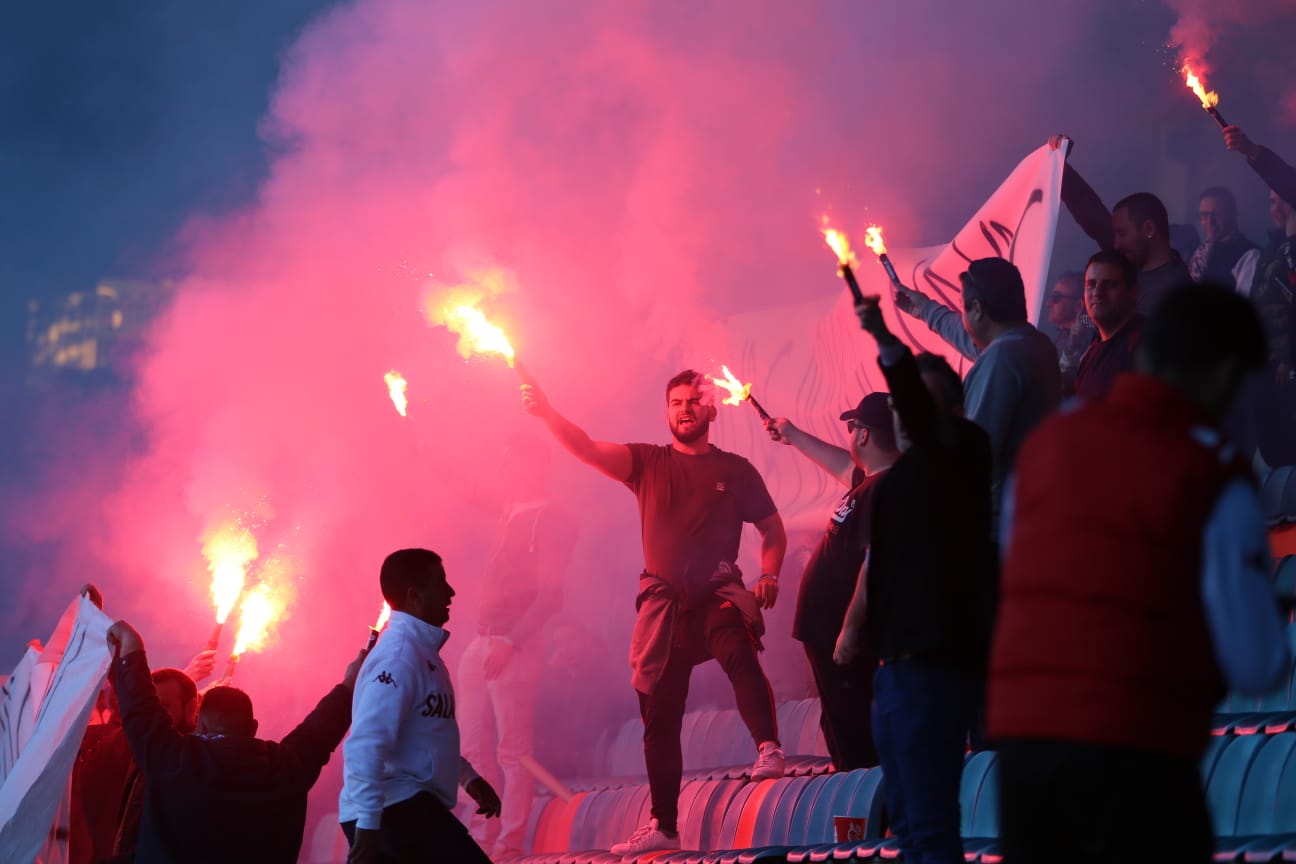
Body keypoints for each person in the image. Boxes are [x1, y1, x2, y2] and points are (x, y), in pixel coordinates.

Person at [989, 282, 1291, 863]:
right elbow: (1257, 660)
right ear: (1225, 373)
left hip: (1023, 751)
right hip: (1134, 748)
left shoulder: (1047, 445)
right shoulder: (1209, 471)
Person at [522, 369, 787, 856]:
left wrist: (768, 574)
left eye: (693, 401)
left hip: (717, 595)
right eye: (675, 402)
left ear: (711, 409)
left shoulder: (737, 470)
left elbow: (772, 530)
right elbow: (583, 446)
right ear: (667, 411)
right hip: (664, 608)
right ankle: (664, 824)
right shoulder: (646, 462)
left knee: (738, 649)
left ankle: (769, 748)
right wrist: (547, 412)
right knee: (658, 717)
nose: (684, 408)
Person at [852, 295, 996, 863]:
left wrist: (887, 337)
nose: (903, 415)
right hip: (896, 671)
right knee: (908, 828)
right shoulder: (899, 479)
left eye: (918, 405)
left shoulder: (964, 451)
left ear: (952, 412)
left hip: (934, 665)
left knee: (931, 828)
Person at [105, 621, 358, 864]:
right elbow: (322, 728)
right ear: (253, 729)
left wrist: (132, 649)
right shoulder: (286, 766)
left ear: (199, 722)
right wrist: (352, 684)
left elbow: (140, 709)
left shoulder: (175, 759)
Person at [764, 392, 900, 770]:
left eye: (853, 427)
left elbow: (879, 562)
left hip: (843, 635)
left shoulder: (887, 489)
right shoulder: (872, 481)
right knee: (841, 723)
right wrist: (793, 434)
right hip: (828, 631)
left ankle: (867, 815)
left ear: (864, 436)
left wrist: (851, 629)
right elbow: (841, 465)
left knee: (854, 729)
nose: (850, 435)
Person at [458, 434, 577, 860]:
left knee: (512, 752)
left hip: (515, 646)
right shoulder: (511, 509)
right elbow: (465, 489)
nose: (504, 471)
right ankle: (481, 836)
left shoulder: (553, 518)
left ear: (534, 466)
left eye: (512, 462)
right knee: (471, 748)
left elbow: (550, 595)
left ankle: (507, 845)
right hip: (481, 640)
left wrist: (511, 640)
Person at [341, 548, 500, 864]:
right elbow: (366, 744)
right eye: (440, 581)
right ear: (414, 595)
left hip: (402, 807)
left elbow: (424, 733)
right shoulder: (399, 659)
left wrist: (467, 776)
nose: (451, 592)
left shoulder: (422, 654)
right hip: (394, 808)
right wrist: (370, 823)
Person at [893, 257, 1060, 530]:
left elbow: (972, 456)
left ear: (978, 309)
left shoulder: (1002, 359)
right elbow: (975, 342)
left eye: (963, 307)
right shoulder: (1033, 345)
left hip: (998, 528)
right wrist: (925, 309)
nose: (962, 316)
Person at [1053, 136, 1192, 314]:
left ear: (1149, 229)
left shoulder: (1176, 294)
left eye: (1122, 234)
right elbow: (1094, 219)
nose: (1116, 243)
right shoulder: (1131, 263)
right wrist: (1063, 171)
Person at [1073, 250, 1143, 400]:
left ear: (1133, 292)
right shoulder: (1091, 351)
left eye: (1110, 285)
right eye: (1090, 285)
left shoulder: (1146, 344)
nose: (1097, 293)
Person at [1189, 186, 1256, 287]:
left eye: (1217, 214)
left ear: (1233, 215)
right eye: (1204, 215)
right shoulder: (1200, 251)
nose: (1210, 221)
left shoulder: (1249, 254)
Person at [1043, 271, 1093, 393]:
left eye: (1056, 298)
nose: (1048, 303)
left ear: (1078, 305)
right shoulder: (1062, 334)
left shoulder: (1090, 339)